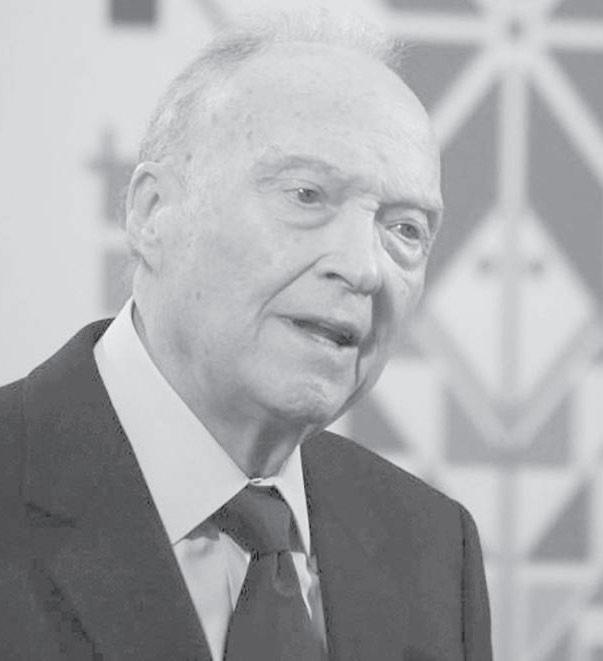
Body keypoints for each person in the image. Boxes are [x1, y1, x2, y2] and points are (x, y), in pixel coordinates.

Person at [0, 11, 491, 661]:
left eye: (405, 229)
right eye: (307, 195)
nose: (363, 268)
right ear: (152, 212)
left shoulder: (433, 548)